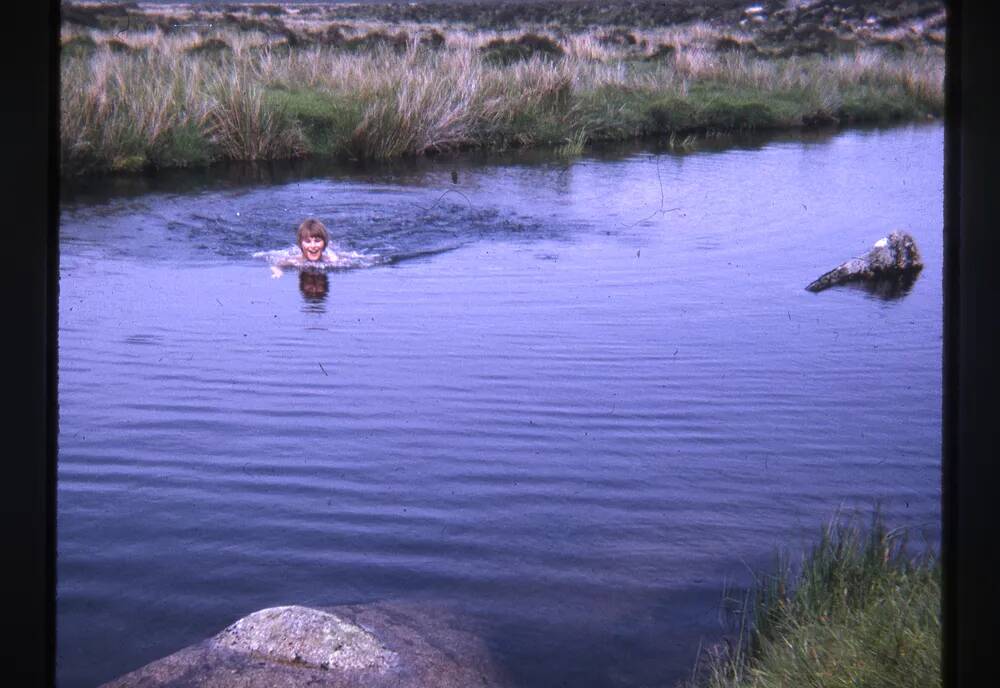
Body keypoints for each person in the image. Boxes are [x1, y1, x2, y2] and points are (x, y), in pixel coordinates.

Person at [269, 218, 340, 278]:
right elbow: (276, 265)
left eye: (317, 241)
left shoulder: (333, 260)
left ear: (325, 244)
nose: (313, 246)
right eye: (308, 241)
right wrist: (277, 271)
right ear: (300, 245)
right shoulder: (295, 261)